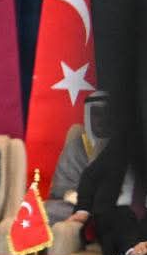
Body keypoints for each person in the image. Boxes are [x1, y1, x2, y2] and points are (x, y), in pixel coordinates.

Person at [69, 142, 147, 255]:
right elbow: (90, 176)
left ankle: (144, 250)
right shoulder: (121, 145)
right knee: (121, 214)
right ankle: (133, 251)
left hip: (146, 217)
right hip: (114, 213)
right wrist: (83, 210)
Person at [46, 91, 109, 223]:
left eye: (106, 114)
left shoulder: (122, 146)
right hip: (77, 206)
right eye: (96, 114)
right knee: (44, 210)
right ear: (88, 116)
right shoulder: (76, 146)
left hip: (111, 206)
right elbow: (59, 187)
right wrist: (73, 196)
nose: (102, 120)